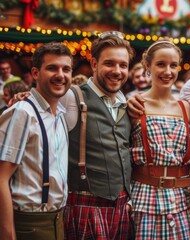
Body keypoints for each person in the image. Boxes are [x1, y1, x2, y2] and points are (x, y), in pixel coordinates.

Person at [60, 32, 135, 239]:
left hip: (122, 207)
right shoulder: (71, 97)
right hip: (85, 203)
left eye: (123, 65)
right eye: (109, 64)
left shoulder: (127, 103)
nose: (117, 71)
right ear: (94, 64)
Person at [0, 42, 72, 240]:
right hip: (29, 223)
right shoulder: (22, 112)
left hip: (57, 221)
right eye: (52, 68)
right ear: (35, 73)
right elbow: (1, 177)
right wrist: (7, 235)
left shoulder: (61, 114)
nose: (61, 75)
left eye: (66, 69)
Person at [129, 40, 190, 239]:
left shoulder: (185, 107)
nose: (167, 71)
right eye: (161, 64)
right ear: (147, 66)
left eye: (173, 65)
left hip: (181, 198)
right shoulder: (135, 105)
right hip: (145, 195)